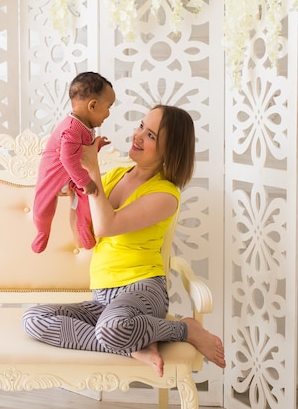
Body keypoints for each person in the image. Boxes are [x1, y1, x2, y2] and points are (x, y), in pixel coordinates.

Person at [24, 104, 225, 376]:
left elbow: (107, 226)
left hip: (142, 290)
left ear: (170, 150)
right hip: (103, 297)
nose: (138, 135)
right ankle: (130, 343)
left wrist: (91, 170)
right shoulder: (116, 177)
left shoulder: (165, 194)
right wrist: (75, 193)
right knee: (34, 319)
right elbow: (85, 236)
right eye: (141, 126)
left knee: (112, 326)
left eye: (151, 135)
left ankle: (185, 329)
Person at [31, 71, 115, 253]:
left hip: (72, 175)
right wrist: (84, 181)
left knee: (87, 200)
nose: (108, 113)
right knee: (43, 206)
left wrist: (97, 144)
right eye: (109, 106)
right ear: (92, 105)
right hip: (55, 174)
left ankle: (83, 227)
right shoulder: (70, 129)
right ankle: (42, 232)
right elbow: (67, 158)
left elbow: (83, 152)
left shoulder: (84, 125)